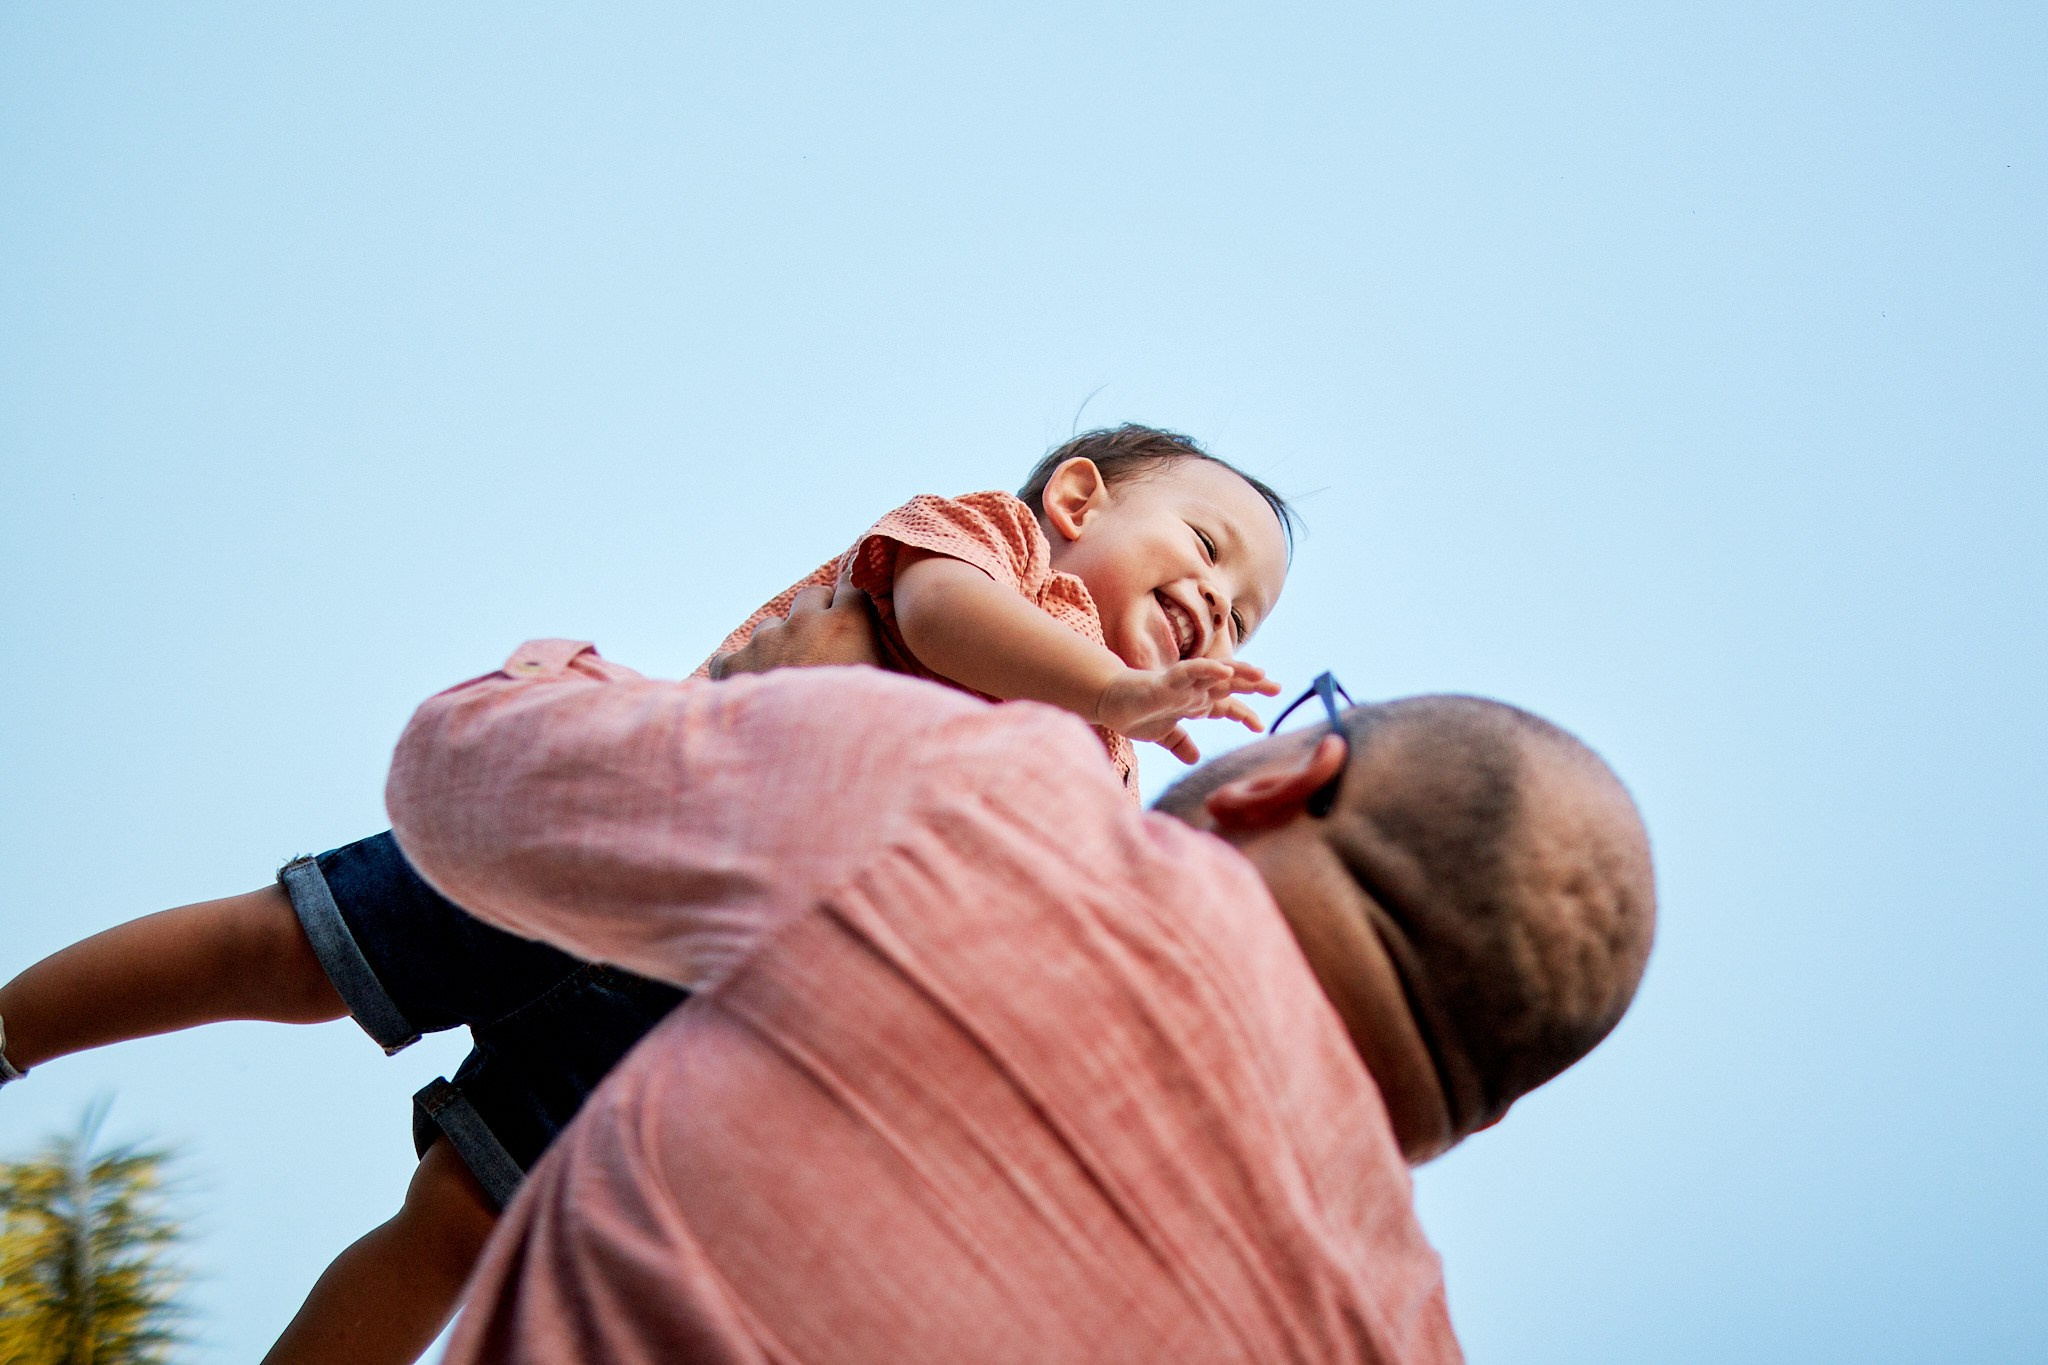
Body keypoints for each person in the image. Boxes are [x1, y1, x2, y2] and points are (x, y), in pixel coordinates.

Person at [0, 425, 1295, 1364]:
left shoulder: (1100, 775)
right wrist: (1108, 690)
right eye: (1206, 547)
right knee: (290, 950)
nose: (1216, 609)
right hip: (625, 820)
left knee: (460, 1226)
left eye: (1244, 614)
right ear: (1077, 497)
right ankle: (12, 1030)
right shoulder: (1001, 555)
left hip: (707, 1002)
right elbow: (938, 614)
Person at [384, 634, 1657, 1363]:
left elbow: (456, 775)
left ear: (1290, 780)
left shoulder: (1000, 804)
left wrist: (672, 689)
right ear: (1473, 1113)